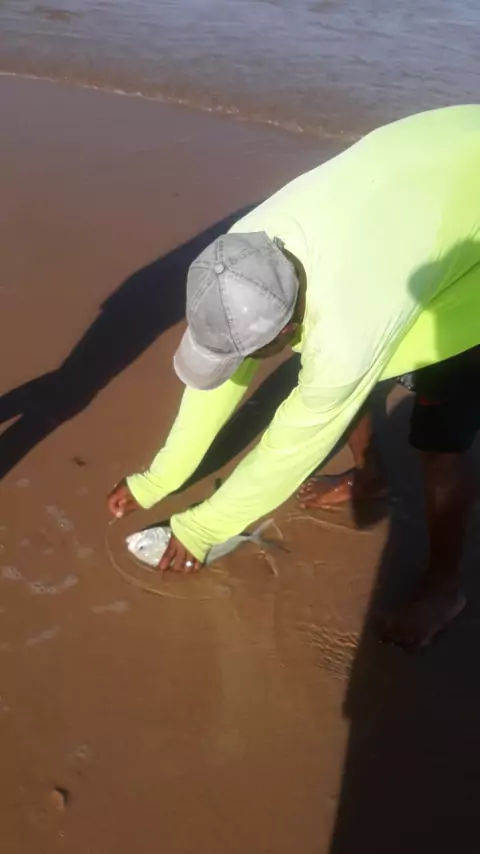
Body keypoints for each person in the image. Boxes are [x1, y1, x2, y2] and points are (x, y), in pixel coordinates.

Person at [108, 105, 480, 649]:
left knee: (438, 440)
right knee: (346, 376)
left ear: (285, 328)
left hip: (461, 216)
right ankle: (371, 478)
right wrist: (158, 478)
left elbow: (291, 448)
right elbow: (219, 380)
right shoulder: (240, 251)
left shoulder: (347, 330)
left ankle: (444, 589)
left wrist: (203, 529)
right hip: (433, 167)